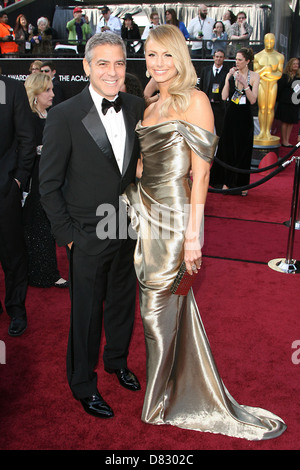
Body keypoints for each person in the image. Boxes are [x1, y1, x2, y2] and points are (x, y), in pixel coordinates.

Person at [123, 24, 286, 440]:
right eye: (151, 55)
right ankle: (175, 385)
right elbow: (145, 167)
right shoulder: (150, 106)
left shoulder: (196, 102)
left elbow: (201, 176)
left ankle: (159, 401)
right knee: (163, 306)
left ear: (181, 57)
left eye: (166, 55)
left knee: (155, 309)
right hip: (147, 214)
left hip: (177, 220)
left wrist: (194, 236)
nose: (158, 64)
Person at [39, 33, 144, 418]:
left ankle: (116, 360)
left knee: (121, 302)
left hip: (126, 226)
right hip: (85, 234)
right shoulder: (65, 116)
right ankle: (82, 382)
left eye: (119, 63)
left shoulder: (136, 106)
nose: (112, 72)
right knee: (85, 314)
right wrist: (68, 237)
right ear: (86, 66)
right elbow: (47, 186)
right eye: (103, 63)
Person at [23, 73, 68, 289]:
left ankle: (47, 272)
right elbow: (22, 147)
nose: (52, 94)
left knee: (48, 226)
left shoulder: (50, 115)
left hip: (51, 176)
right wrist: (44, 149)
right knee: (38, 226)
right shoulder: (28, 117)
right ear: (36, 93)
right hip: (34, 178)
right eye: (48, 90)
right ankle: (41, 274)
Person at [0, 75, 36, 336]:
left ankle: (16, 309)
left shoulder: (12, 89)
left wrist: (17, 180)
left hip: (4, 190)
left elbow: (27, 139)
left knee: (12, 253)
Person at [210, 48, 260, 195]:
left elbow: (252, 100)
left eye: (240, 60)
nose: (236, 62)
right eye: (236, 59)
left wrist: (245, 85)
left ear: (247, 61)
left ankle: (242, 184)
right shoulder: (231, 74)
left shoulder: (255, 76)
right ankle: (226, 182)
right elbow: (224, 96)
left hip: (245, 117)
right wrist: (227, 79)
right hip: (231, 115)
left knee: (243, 150)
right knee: (228, 149)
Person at [253, 33, 285, 145]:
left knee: (270, 108)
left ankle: (268, 131)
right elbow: (255, 73)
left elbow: (279, 74)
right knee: (262, 108)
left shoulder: (279, 56)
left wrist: (266, 73)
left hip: (272, 84)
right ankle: (262, 131)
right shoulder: (258, 56)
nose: (269, 43)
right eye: (268, 41)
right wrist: (266, 70)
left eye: (272, 41)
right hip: (261, 84)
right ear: (264, 41)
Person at [199, 49, 228, 136]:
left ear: (224, 58)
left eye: (221, 57)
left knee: (220, 130)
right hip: (207, 105)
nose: (218, 59)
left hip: (220, 106)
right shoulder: (206, 70)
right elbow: (201, 87)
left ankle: (220, 149)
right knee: (205, 129)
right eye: (217, 57)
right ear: (213, 57)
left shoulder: (227, 72)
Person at [275, 57, 300, 147]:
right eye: (294, 64)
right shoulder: (285, 76)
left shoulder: (298, 77)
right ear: (290, 65)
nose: (296, 65)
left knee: (291, 122)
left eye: (297, 64)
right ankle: (284, 140)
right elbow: (280, 89)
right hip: (285, 102)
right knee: (285, 121)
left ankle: (287, 140)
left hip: (295, 102)